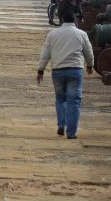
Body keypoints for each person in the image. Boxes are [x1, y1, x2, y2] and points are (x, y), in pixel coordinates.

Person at [36, 10, 95, 139]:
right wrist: (90, 65)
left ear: (61, 20)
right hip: (75, 70)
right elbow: (89, 52)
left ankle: (61, 124)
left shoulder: (53, 34)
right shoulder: (81, 34)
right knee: (74, 101)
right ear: (75, 20)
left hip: (58, 70)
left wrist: (40, 70)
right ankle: (71, 132)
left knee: (60, 98)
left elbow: (45, 53)